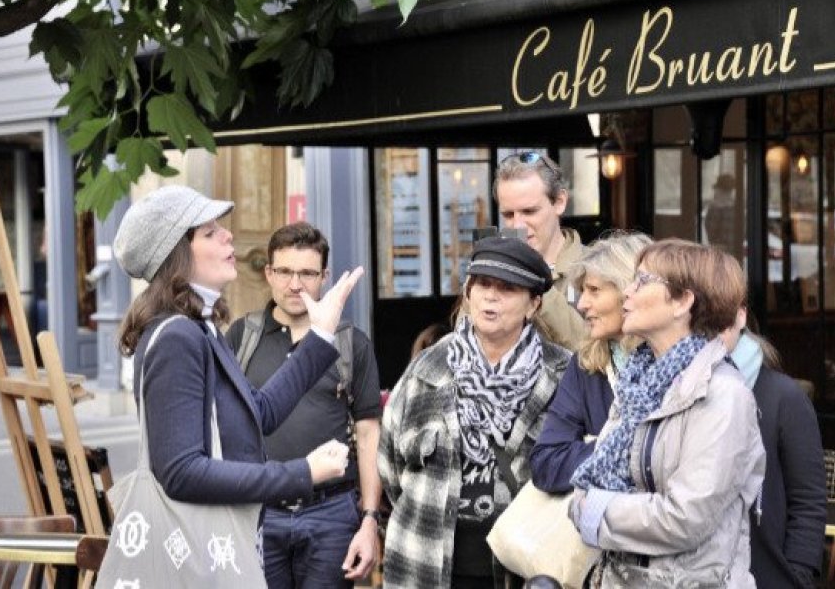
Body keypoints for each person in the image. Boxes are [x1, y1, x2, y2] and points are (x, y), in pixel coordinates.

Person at [114, 185, 361, 552]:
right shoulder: (178, 337)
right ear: (177, 254)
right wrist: (301, 473)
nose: (229, 234)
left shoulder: (201, 327)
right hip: (199, 551)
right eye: (210, 232)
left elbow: (257, 412)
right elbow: (181, 472)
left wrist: (321, 335)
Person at [568, 238, 766, 587]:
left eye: (642, 281)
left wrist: (596, 510)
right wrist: (593, 503)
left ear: (683, 301)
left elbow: (684, 518)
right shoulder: (637, 383)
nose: (627, 292)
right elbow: (593, 481)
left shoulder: (723, 394)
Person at [379, 236, 571, 588]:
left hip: (523, 570)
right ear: (468, 293)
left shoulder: (562, 375)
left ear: (534, 304)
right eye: (482, 284)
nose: (491, 296)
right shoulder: (429, 369)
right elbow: (390, 465)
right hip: (424, 565)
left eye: (508, 288)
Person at [225, 222, 382, 589]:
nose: (295, 284)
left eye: (307, 272)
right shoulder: (240, 337)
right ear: (268, 273)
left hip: (331, 513)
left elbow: (368, 434)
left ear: (324, 276)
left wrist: (370, 519)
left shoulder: (350, 345)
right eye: (284, 271)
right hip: (259, 510)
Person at [530, 231, 651, 494]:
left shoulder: (678, 363)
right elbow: (546, 463)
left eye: (594, 290)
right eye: (582, 291)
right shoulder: (585, 365)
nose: (582, 304)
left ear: (629, 290)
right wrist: (621, 449)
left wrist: (591, 447)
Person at [720, 308, 826, 588]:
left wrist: (796, 575)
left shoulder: (784, 396)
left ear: (740, 317)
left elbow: (809, 501)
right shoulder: (686, 393)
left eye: (717, 315)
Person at [493, 152, 586, 351]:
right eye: (508, 215)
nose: (518, 225)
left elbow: (593, 349)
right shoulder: (493, 267)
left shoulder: (595, 268)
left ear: (560, 202)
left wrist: (534, 281)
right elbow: (463, 349)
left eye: (529, 211)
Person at [704, 173, 737, 253]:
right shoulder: (736, 208)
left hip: (719, 250)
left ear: (720, 190)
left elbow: (710, 231)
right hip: (733, 250)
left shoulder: (716, 208)